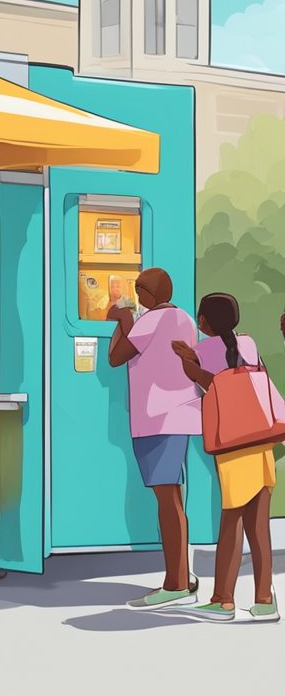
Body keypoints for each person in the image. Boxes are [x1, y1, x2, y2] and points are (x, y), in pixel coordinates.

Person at [169, 293, 278, 623]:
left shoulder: (205, 350)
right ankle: (263, 600)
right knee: (259, 525)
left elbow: (211, 384)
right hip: (260, 442)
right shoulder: (249, 342)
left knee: (232, 522)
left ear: (204, 322)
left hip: (233, 445)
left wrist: (188, 361)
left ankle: (223, 600)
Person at [106, 267, 201, 610]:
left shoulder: (148, 320)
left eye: (139, 291)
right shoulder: (185, 319)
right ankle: (183, 576)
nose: (138, 297)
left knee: (167, 500)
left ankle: (175, 584)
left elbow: (116, 358)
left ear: (147, 293)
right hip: (182, 414)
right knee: (174, 495)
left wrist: (121, 318)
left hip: (157, 418)